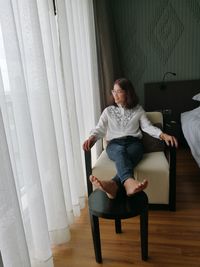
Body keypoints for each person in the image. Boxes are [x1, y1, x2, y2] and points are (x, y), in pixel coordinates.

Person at [83, 78, 178, 199]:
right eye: (114, 91)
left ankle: (113, 184)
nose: (115, 94)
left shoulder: (138, 110)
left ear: (127, 93)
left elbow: (147, 127)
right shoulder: (108, 111)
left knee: (126, 155)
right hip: (114, 145)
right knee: (120, 151)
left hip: (134, 144)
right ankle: (129, 182)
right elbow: (100, 129)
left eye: (119, 91)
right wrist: (92, 138)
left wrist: (163, 135)